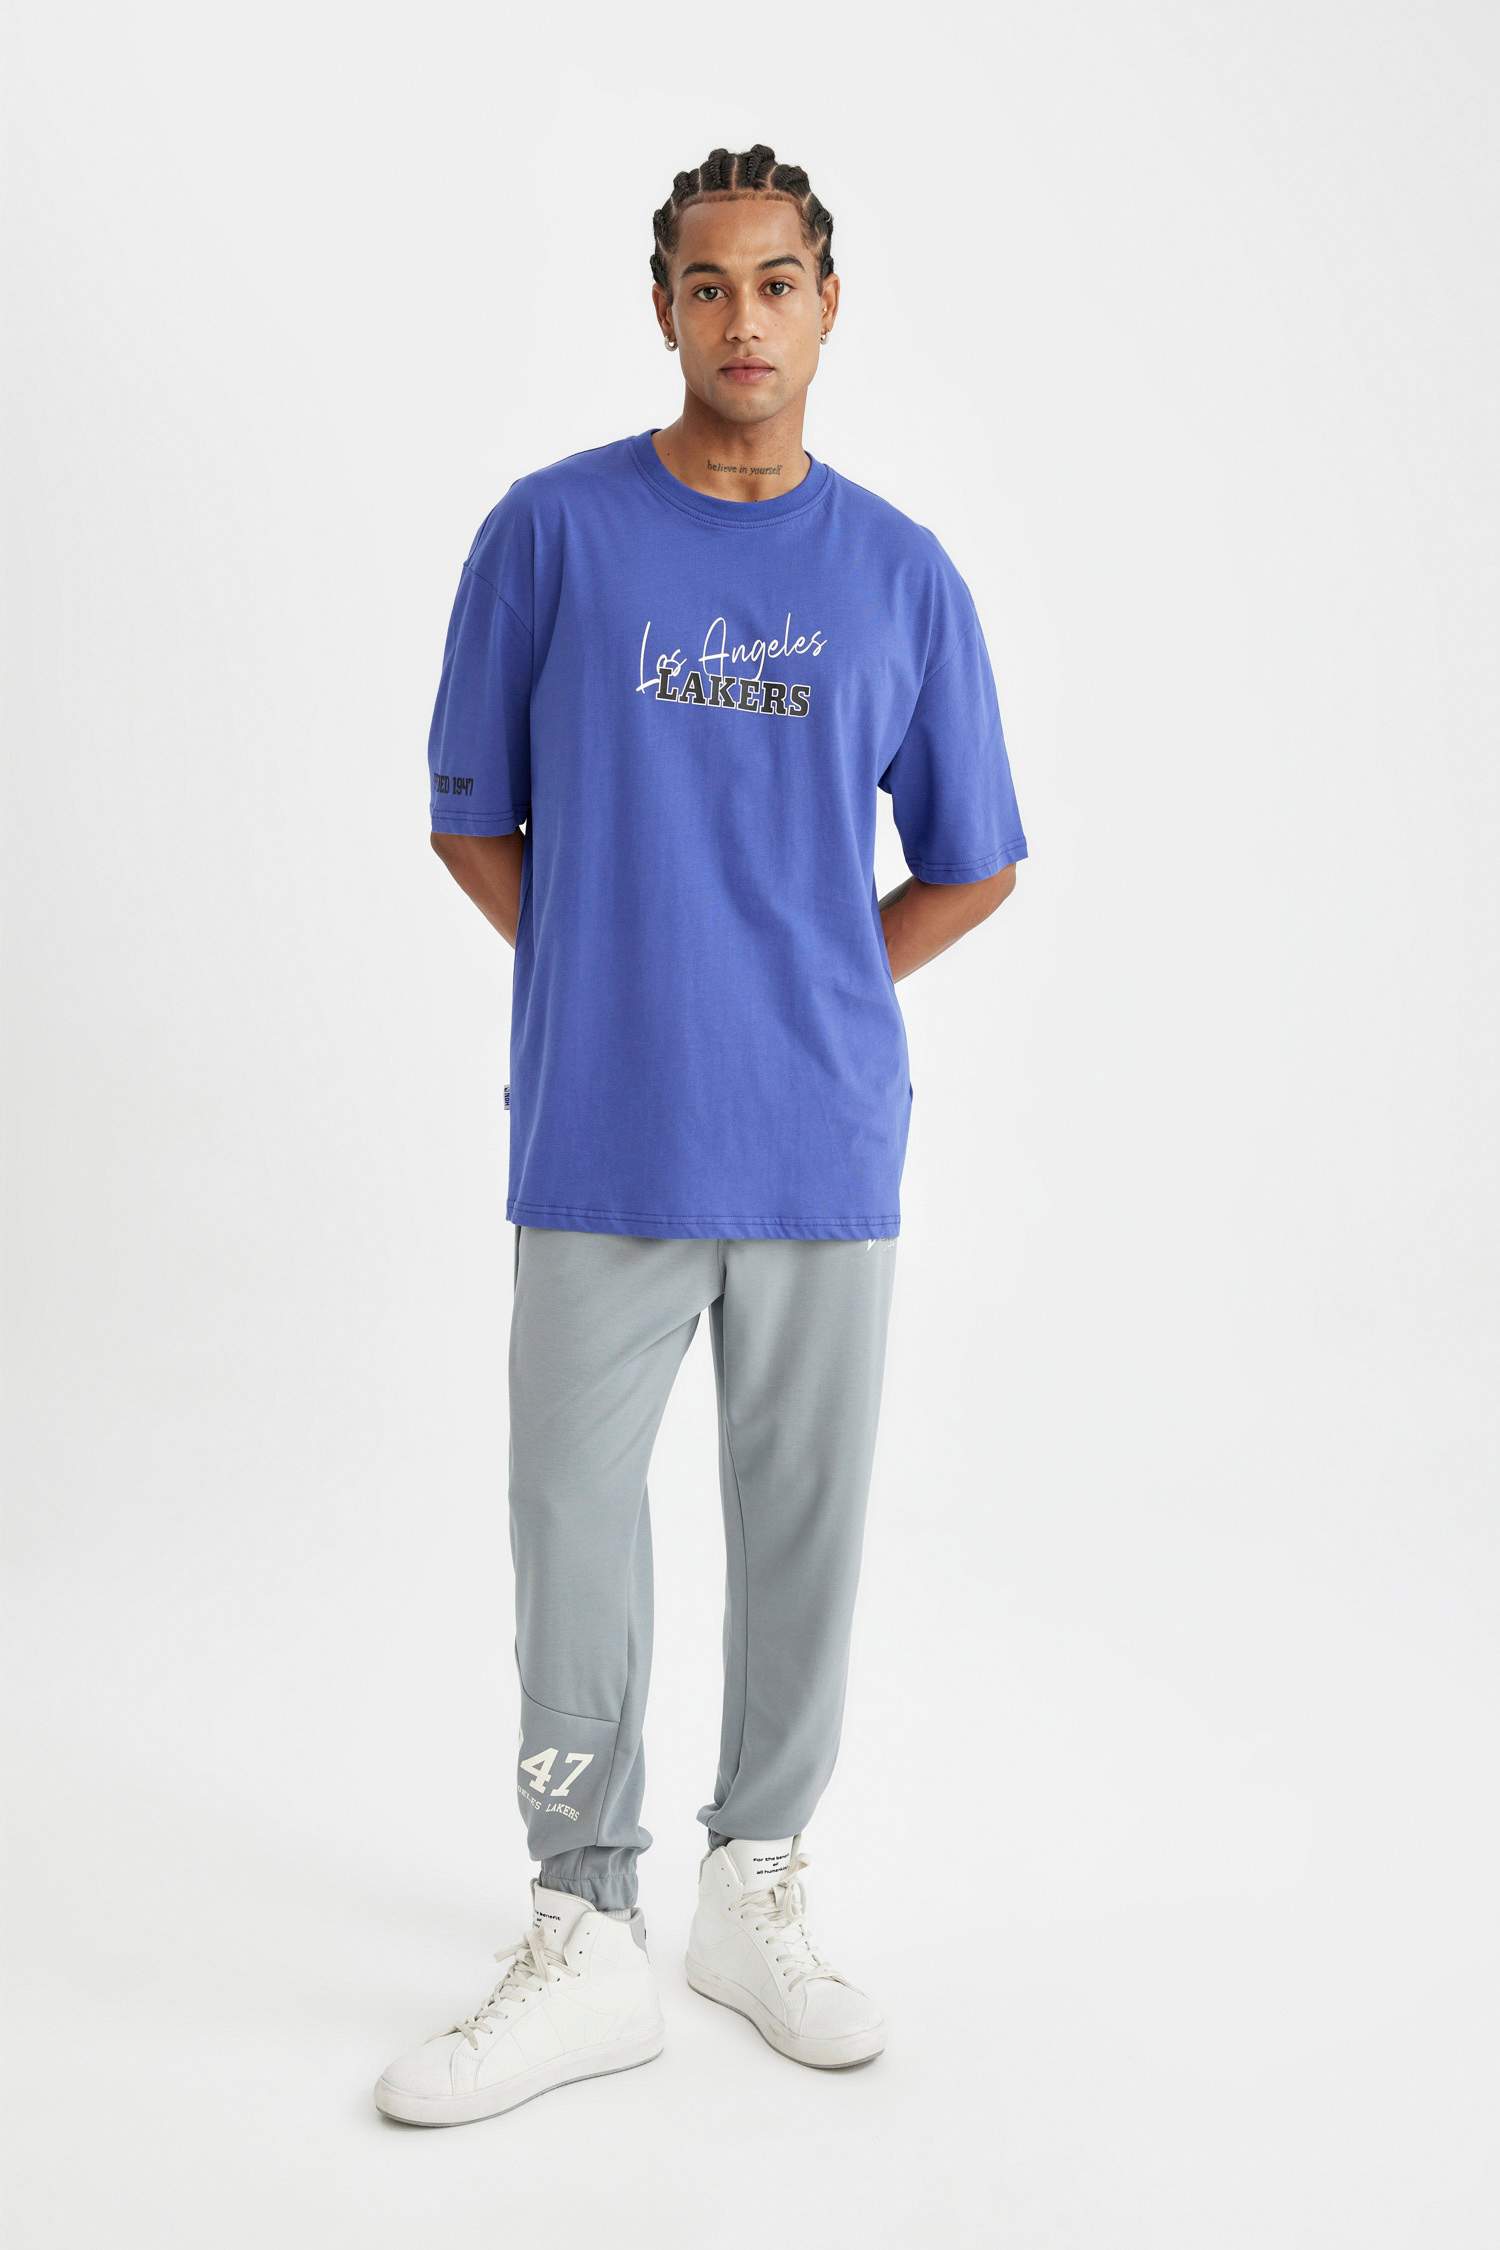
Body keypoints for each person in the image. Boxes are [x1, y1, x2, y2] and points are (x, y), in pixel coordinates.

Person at [373, 143, 1028, 2127]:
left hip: (821, 1141)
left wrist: (806, 984)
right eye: (708, 283)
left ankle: (757, 1887)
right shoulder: (552, 536)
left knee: (804, 1526)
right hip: (602, 1133)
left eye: (778, 280)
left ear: (830, 304)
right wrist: (620, 970)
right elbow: (470, 816)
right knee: (570, 1524)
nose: (745, 317)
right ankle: (584, 1920)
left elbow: (976, 858)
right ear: (662, 308)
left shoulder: (901, 574)